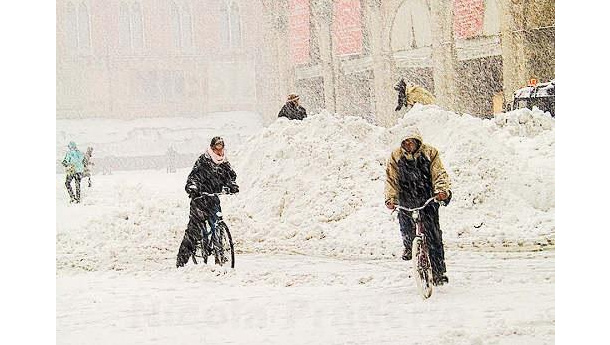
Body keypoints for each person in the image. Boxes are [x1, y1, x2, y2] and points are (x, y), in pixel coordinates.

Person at [384, 127, 452, 286]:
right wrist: (390, 198)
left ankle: (438, 272)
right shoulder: (396, 157)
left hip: (427, 197)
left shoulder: (430, 153)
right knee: (405, 225)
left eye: (411, 142)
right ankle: (409, 247)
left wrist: (441, 191)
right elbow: (391, 179)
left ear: (417, 142)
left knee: (433, 236)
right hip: (406, 198)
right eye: (406, 142)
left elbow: (439, 174)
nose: (409, 145)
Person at [176, 136, 239, 268]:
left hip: (213, 198)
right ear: (211, 149)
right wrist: (193, 187)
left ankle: (219, 253)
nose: (219, 153)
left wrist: (232, 185)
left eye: (221, 150)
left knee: (217, 223)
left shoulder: (224, 163)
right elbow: (193, 177)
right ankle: (181, 261)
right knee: (194, 230)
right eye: (217, 150)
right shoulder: (203, 161)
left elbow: (230, 176)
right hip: (200, 199)